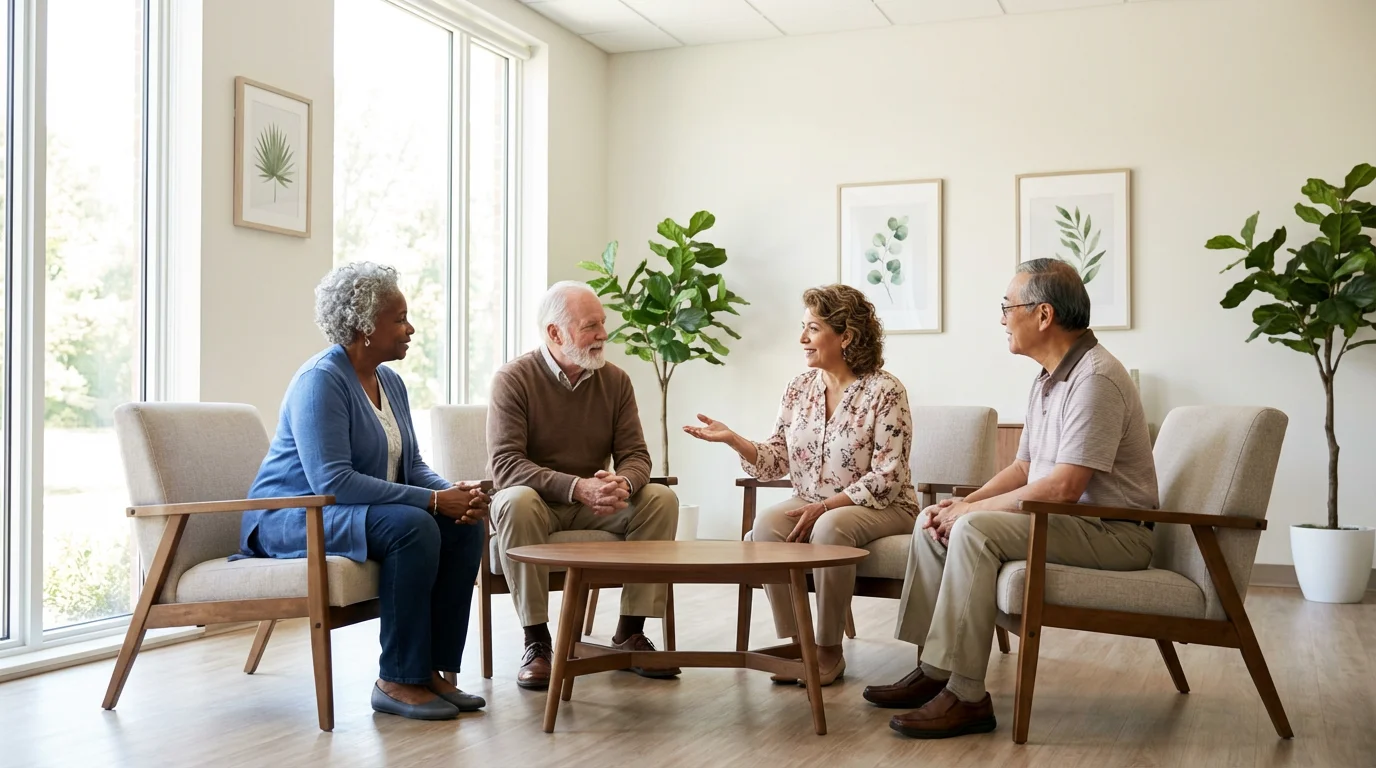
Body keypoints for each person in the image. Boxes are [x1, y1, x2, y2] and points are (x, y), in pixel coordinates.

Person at [862, 258, 1159, 739]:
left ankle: (967, 695)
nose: (1002, 318)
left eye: (1007, 307)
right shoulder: (1048, 377)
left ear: (1043, 315)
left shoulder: (1095, 378)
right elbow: (1024, 467)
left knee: (973, 528)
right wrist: (958, 504)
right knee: (932, 521)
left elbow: (1065, 486)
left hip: (1113, 533)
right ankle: (933, 671)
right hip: (1069, 524)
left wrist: (971, 513)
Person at [238, 262, 489, 722]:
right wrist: (433, 502)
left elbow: (410, 466)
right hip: (295, 516)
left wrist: (451, 493)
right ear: (364, 327)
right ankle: (395, 679)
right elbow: (333, 481)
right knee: (414, 526)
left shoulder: (389, 381)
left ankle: (431, 671)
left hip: (346, 511)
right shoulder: (320, 380)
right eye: (399, 319)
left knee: (462, 526)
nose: (410, 328)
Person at [685, 284, 919, 686]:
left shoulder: (885, 390)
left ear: (846, 336)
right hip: (811, 499)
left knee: (831, 527)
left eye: (813, 328)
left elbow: (888, 476)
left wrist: (826, 508)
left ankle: (829, 648)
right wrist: (734, 438)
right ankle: (800, 643)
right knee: (765, 526)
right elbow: (777, 457)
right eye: (803, 328)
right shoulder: (799, 388)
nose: (802, 339)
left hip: (885, 507)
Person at [487, 281, 679, 690]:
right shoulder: (513, 379)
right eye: (591, 326)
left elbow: (637, 455)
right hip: (539, 503)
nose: (602, 335)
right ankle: (536, 642)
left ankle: (629, 632)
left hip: (597, 502)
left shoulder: (615, 381)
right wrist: (577, 487)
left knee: (660, 498)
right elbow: (505, 466)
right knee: (515, 501)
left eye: (602, 324)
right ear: (555, 333)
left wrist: (624, 482)